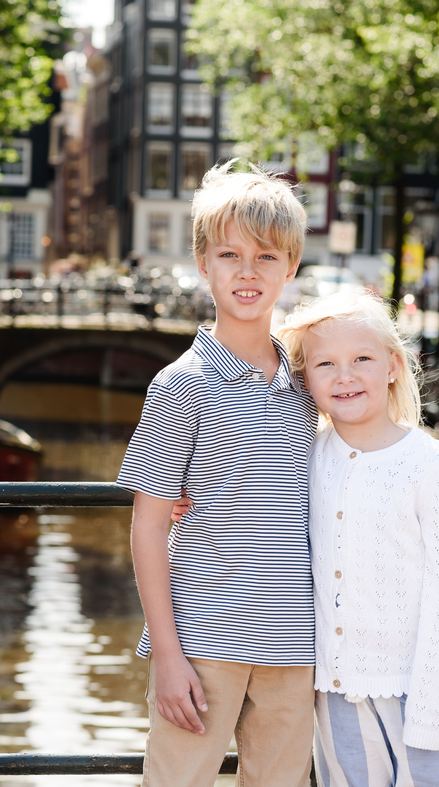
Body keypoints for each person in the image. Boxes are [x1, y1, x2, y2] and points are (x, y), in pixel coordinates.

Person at [116, 161, 319, 787]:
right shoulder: (181, 384)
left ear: (290, 268)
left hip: (296, 646)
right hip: (204, 641)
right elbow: (148, 527)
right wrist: (167, 654)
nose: (248, 272)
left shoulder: (310, 381)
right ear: (204, 264)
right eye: (230, 254)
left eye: (266, 257)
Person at [280, 291, 439, 787]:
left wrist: (431, 709)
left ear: (392, 365)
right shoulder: (307, 457)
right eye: (325, 364)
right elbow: (254, 504)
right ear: (307, 380)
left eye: (361, 359)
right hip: (337, 693)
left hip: (418, 689)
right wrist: (188, 499)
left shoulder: (428, 464)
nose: (345, 376)